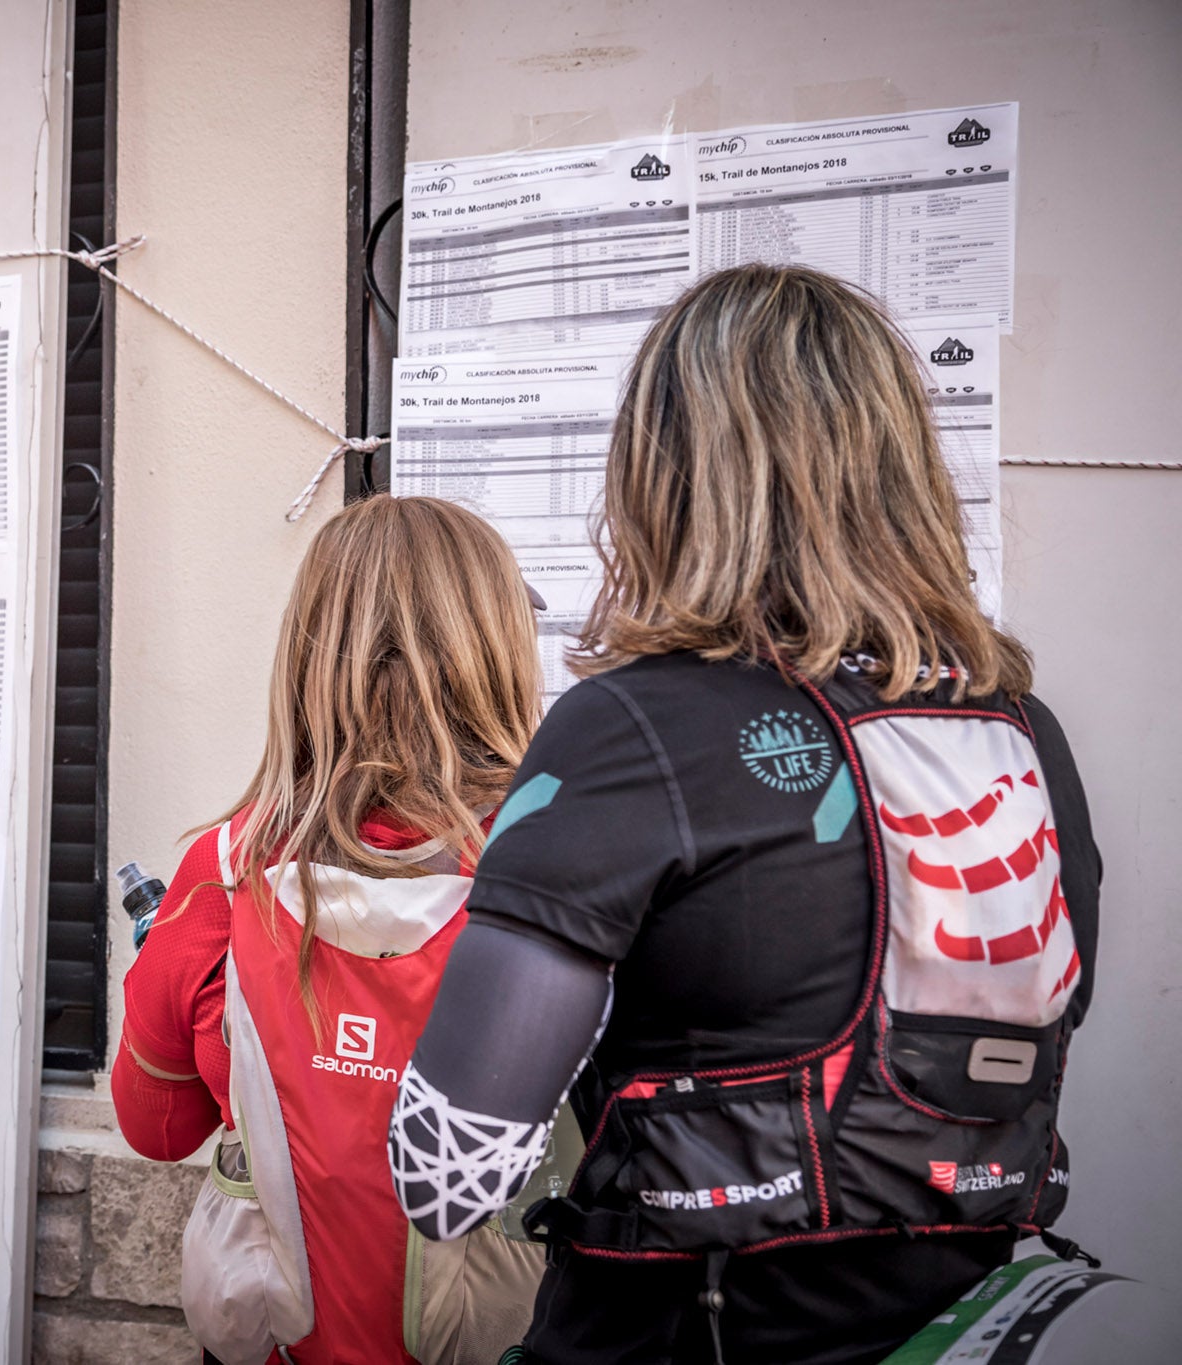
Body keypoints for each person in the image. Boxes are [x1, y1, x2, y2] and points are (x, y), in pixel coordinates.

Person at [389, 265, 1101, 1365]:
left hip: (683, 1334)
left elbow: (444, 1179)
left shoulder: (630, 726)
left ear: (662, 477)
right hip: (955, 1329)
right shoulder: (1021, 734)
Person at [113, 493, 552, 1365]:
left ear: (307, 657)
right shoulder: (568, 862)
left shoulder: (225, 869)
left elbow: (153, 1126)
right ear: (501, 648)